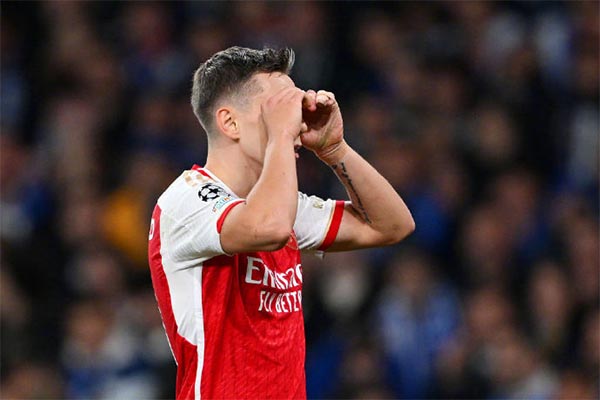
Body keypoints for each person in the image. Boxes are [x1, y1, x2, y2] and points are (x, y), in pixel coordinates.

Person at [147, 46, 415, 399]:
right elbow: (269, 228)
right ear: (230, 123)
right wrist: (281, 137)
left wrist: (335, 150)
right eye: (276, 109)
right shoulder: (186, 200)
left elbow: (392, 225)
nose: (295, 123)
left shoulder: (281, 206)